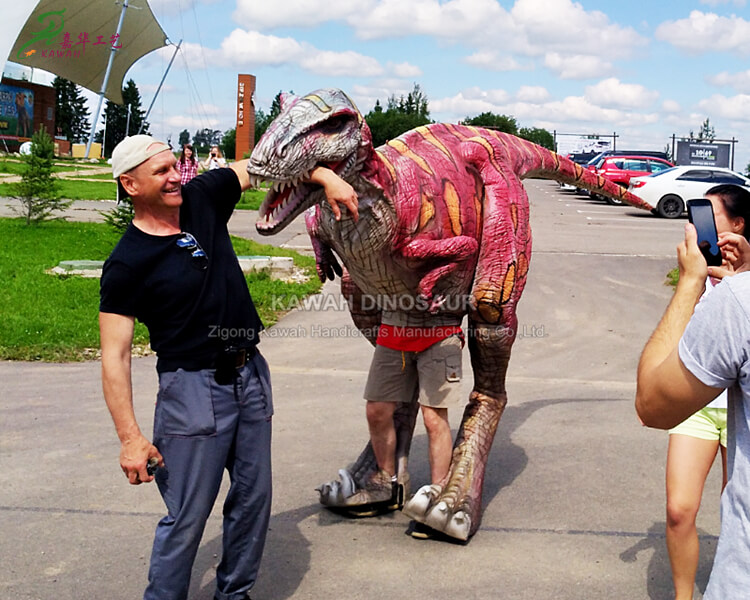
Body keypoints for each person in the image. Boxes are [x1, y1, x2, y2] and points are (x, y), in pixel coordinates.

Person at [99, 134, 356, 600]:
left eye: (175, 165)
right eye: (161, 171)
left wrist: (323, 175)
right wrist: (130, 438)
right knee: (187, 516)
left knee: (254, 501)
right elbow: (113, 355)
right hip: (191, 391)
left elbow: (263, 167)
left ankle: (233, 595)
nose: (176, 175)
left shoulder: (202, 199)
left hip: (250, 375)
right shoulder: (127, 262)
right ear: (130, 184)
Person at [636, 185, 750, 599]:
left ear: (738, 226)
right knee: (679, 511)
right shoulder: (697, 279)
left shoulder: (745, 288)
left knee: (735, 509)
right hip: (697, 404)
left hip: (737, 409)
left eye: (707, 216)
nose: (693, 226)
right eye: (692, 216)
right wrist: (692, 284)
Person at [361, 309, 464, 539]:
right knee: (376, 411)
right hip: (393, 328)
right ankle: (389, 483)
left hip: (440, 330)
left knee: (433, 416)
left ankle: (438, 495)